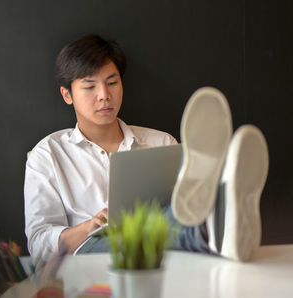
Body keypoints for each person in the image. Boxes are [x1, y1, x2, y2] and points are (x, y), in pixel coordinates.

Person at [24, 34, 269, 262]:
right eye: (90, 87)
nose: (104, 95)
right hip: (93, 253)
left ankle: (214, 205)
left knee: (172, 214)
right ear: (67, 95)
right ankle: (218, 217)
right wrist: (87, 227)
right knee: (158, 226)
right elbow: (38, 243)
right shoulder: (48, 155)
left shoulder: (161, 143)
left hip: (161, 251)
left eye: (112, 82)